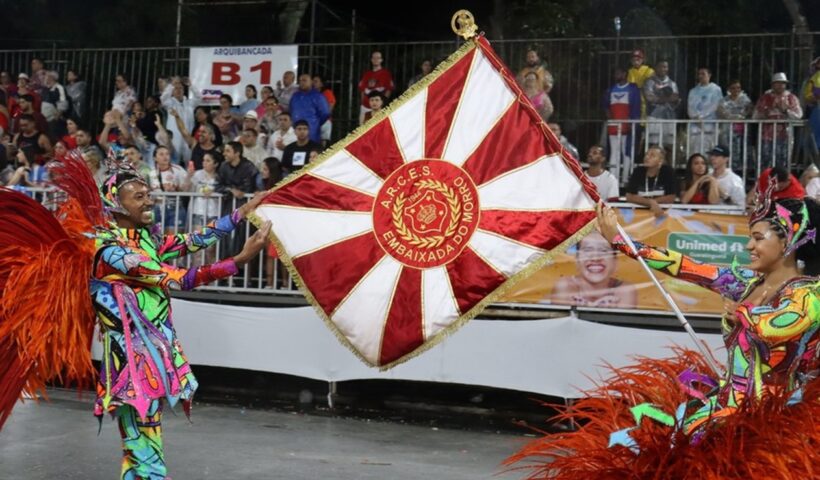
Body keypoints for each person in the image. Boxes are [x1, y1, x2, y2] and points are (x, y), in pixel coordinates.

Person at [509, 195, 820, 479]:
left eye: (757, 238)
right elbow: (685, 266)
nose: (749, 246)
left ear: (788, 241)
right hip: (726, 404)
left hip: (772, 417)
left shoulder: (807, 294)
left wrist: (742, 313)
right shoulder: (748, 283)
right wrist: (623, 242)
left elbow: (779, 326)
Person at [551, 231, 637, 308]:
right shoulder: (565, 286)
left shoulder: (625, 290)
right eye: (588, 250)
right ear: (577, 260)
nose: (595, 258)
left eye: (604, 250)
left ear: (615, 261)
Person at [753, 73, 803, 168]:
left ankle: (780, 182)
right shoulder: (765, 98)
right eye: (778, 83)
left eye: (783, 83)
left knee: (782, 162)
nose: (780, 85)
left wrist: (785, 110)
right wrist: (765, 113)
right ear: (772, 84)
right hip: (767, 136)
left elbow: (798, 115)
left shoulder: (791, 98)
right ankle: (767, 182)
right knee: (766, 162)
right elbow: (755, 116)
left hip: (785, 136)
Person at [603, 67, 641, 184]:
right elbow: (606, 107)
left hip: (628, 126)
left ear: (625, 74)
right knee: (614, 151)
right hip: (614, 126)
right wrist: (611, 119)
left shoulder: (632, 89)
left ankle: (625, 178)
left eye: (619, 72)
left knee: (627, 152)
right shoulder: (610, 90)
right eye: (615, 73)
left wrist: (633, 124)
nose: (616, 75)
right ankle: (613, 179)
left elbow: (636, 108)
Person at [624, 145, 677, 217]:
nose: (647, 157)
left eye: (652, 155)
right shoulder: (638, 171)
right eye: (646, 154)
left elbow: (671, 197)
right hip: (639, 216)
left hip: (661, 215)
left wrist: (653, 202)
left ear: (660, 161)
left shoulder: (668, 172)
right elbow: (629, 196)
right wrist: (651, 202)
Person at [149, 145, 190, 232]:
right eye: (161, 154)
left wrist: (176, 189)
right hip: (158, 208)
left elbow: (186, 189)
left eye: (167, 154)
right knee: (157, 240)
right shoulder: (151, 173)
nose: (165, 156)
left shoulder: (178, 170)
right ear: (155, 158)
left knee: (173, 240)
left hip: (175, 208)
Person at [161, 77, 201, 164]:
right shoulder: (170, 103)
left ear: (184, 90)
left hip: (188, 136)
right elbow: (163, 98)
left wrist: (191, 86)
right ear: (172, 91)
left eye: (180, 88)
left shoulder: (190, 103)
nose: (178, 90)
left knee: (190, 162)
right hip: (175, 138)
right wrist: (171, 85)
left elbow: (199, 97)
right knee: (173, 161)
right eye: (176, 88)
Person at [717, 79, 753, 172]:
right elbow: (721, 112)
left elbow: (749, 111)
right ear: (729, 89)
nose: (736, 90)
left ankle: (744, 172)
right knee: (730, 151)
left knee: (743, 151)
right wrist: (733, 117)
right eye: (733, 88)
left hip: (742, 131)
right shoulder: (724, 100)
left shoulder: (745, 100)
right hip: (728, 131)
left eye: (738, 88)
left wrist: (741, 116)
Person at [687, 67, 723, 156]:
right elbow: (690, 107)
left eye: (703, 74)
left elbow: (715, 105)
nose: (700, 76)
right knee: (695, 150)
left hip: (709, 124)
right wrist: (696, 117)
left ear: (709, 75)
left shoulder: (715, 89)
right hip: (695, 124)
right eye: (699, 74)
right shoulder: (693, 91)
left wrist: (702, 116)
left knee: (709, 149)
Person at [643, 60, 679, 149]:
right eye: (661, 66)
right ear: (656, 68)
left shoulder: (672, 83)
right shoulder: (649, 82)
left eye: (665, 67)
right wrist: (667, 99)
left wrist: (674, 100)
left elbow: (675, 98)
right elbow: (650, 97)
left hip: (669, 117)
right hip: (654, 116)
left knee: (669, 145)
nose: (663, 69)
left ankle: (667, 163)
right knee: (653, 144)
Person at [289, 73, 330, 145]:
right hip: (296, 130)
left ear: (311, 82)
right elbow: (291, 110)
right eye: (300, 80)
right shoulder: (295, 95)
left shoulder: (318, 96)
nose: (301, 82)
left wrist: (315, 123)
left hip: (312, 130)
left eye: (304, 80)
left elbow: (325, 113)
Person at [357, 51, 394, 125]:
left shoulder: (386, 74)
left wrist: (382, 104)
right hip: (365, 106)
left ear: (381, 60)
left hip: (379, 107)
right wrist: (363, 103)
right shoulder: (367, 74)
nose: (376, 59)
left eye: (378, 58)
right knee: (363, 130)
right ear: (371, 59)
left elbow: (389, 90)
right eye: (374, 57)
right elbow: (362, 90)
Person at [627, 49, 655, 121]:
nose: (636, 62)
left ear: (642, 60)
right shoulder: (630, 71)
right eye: (634, 60)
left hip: (647, 98)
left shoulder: (649, 70)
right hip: (635, 99)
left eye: (638, 59)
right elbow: (632, 85)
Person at [313, 75, 336, 146]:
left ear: (322, 84)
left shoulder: (327, 93)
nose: (313, 83)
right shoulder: (312, 94)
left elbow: (330, 107)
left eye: (316, 81)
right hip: (314, 121)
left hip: (324, 121)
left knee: (323, 142)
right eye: (313, 81)